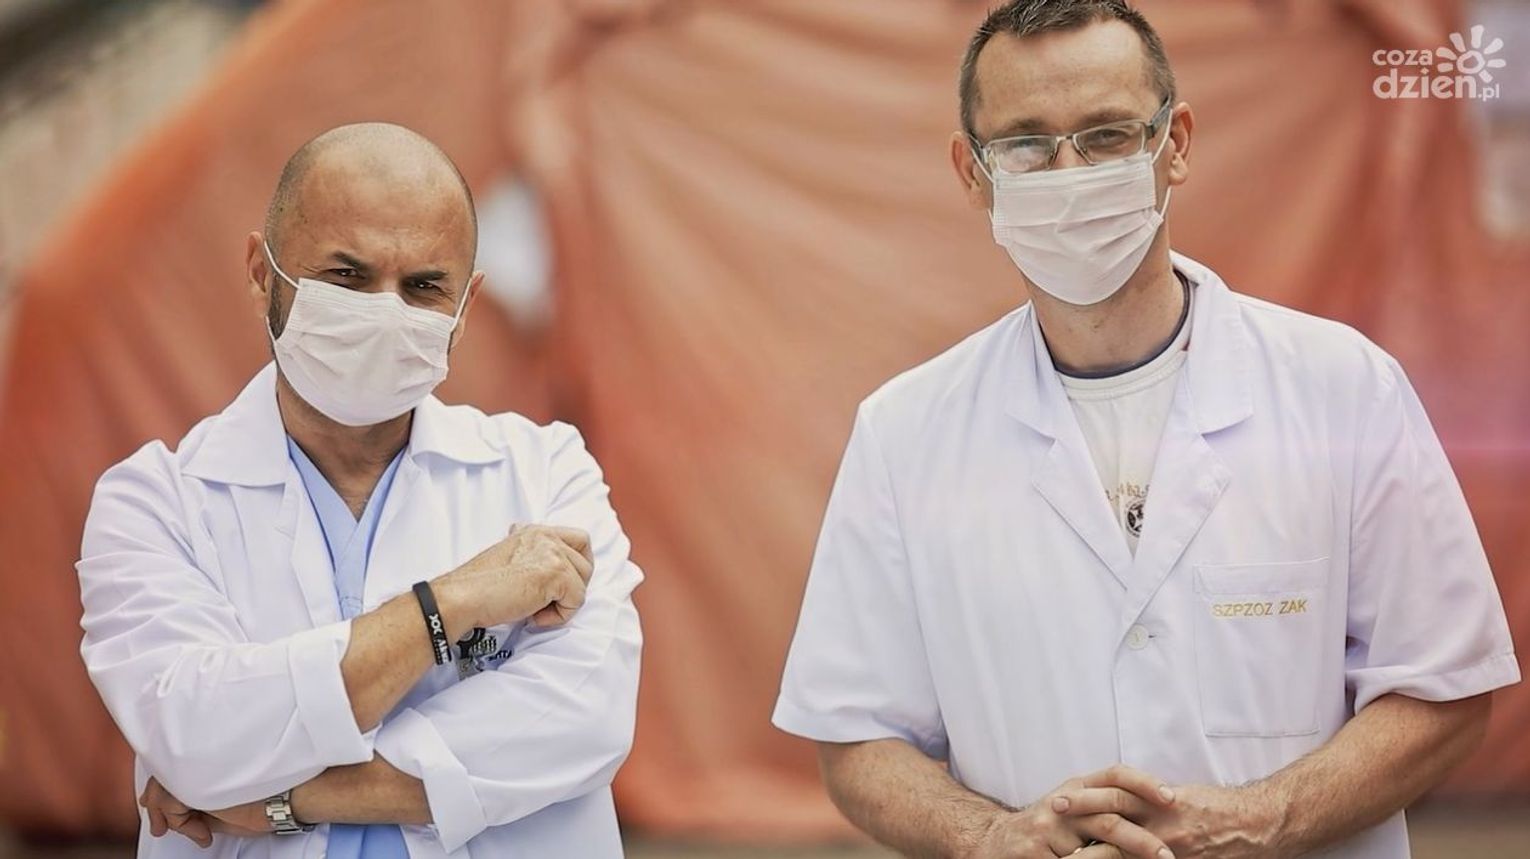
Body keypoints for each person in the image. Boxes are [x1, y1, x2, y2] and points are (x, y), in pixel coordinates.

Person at [772, 2, 1519, 858]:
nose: (1069, 174)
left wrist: (1262, 819)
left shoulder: (1343, 389)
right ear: (972, 173)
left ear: (1176, 143)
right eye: (1025, 145)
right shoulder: (906, 433)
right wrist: (989, 837)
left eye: (1106, 136)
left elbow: (1447, 691)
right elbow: (856, 735)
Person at [77, 123, 642, 858]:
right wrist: (451, 603)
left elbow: (583, 720)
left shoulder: (545, 470)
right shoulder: (154, 504)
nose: (384, 310)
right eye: (346, 275)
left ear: (466, 305)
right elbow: (197, 735)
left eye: (424, 286)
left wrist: (280, 799)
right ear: (261, 274)